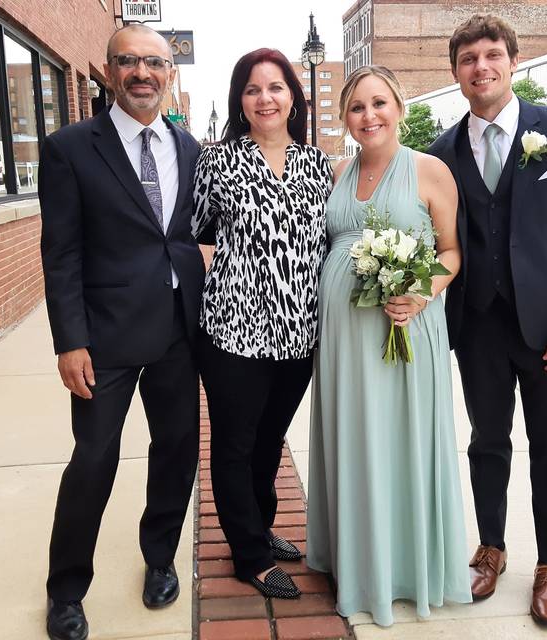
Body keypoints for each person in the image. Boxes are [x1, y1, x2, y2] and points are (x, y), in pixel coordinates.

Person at [427, 14, 547, 627]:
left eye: (491, 55)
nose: (481, 67)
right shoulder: (440, 153)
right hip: (478, 325)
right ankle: (491, 547)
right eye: (468, 59)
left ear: (513, 62)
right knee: (486, 442)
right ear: (455, 73)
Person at [39, 24, 204, 640]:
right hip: (102, 340)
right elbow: (60, 254)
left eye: (155, 63)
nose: (143, 73)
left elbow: (188, 236)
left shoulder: (191, 150)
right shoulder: (70, 148)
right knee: (93, 461)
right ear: (109, 71)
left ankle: (159, 558)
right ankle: (65, 591)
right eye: (129, 61)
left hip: (177, 334)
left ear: (169, 74)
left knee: (176, 450)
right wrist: (69, 340)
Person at [306, 64, 472, 627]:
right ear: (345, 119)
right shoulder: (335, 173)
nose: (368, 115)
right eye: (356, 107)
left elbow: (451, 252)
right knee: (355, 437)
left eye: (379, 103)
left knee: (403, 438)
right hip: (345, 339)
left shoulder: (430, 170)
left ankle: (405, 567)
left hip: (405, 326)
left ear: (399, 108)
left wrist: (419, 292)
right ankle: (355, 560)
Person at [192, 48, 332, 599]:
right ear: (240, 101)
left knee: (270, 440)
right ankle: (247, 554)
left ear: (293, 96)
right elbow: (196, 233)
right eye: (252, 90)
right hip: (233, 332)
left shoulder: (317, 166)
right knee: (233, 444)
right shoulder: (219, 162)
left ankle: (262, 523)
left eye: (275, 87)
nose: (265, 98)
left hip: (299, 333)